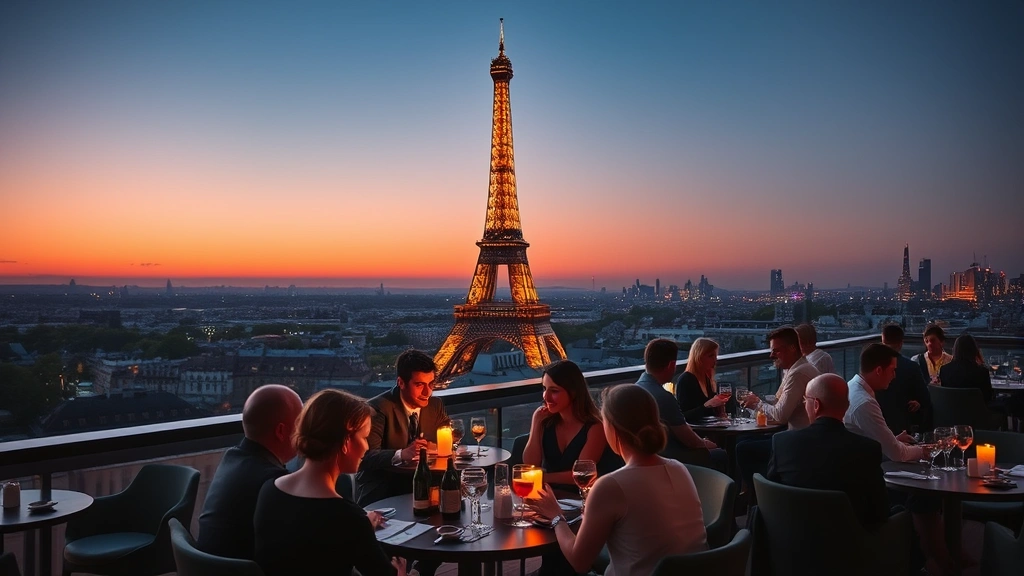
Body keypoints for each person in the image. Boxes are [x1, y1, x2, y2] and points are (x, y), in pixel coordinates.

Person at [528, 384, 707, 576]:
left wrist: (556, 516)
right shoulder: (679, 468)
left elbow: (578, 561)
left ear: (612, 428)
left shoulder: (611, 485)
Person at [253, 389, 406, 576]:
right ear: (345, 442)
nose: (367, 447)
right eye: (365, 437)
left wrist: (363, 527)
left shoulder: (269, 490)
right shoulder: (348, 517)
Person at [843, 343, 955, 576]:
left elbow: (870, 438)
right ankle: (932, 561)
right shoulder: (865, 403)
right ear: (878, 371)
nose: (895, 376)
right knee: (924, 495)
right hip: (868, 481)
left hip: (858, 470)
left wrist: (894, 440)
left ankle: (938, 557)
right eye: (893, 370)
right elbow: (896, 454)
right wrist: (926, 450)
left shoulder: (853, 388)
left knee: (923, 495)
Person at [767, 374, 889, 527]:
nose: (805, 405)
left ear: (816, 405)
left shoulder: (783, 443)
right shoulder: (868, 450)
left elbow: (770, 499)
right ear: (846, 406)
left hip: (791, 540)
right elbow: (880, 513)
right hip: (852, 545)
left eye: (806, 400)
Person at [197, 384, 303, 559]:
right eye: (301, 423)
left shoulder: (231, 458)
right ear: (281, 431)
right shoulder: (275, 483)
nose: (304, 432)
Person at [355, 349, 449, 507]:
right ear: (401, 382)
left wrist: (434, 446)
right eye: (419, 385)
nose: (428, 392)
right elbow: (366, 456)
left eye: (431, 384)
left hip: (428, 484)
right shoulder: (377, 408)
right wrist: (401, 454)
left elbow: (447, 437)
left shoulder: (435, 405)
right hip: (386, 488)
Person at [737, 327, 820, 496]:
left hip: (800, 441)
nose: (771, 355)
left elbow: (780, 416)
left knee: (742, 448)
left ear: (792, 348)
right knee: (744, 439)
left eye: (776, 350)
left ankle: (759, 496)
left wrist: (756, 404)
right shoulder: (793, 369)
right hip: (798, 434)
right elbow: (779, 403)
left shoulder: (798, 374)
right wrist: (758, 402)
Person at [633, 338, 721, 468]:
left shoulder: (635, 390)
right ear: (671, 365)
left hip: (646, 456)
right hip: (670, 458)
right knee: (720, 454)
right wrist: (707, 444)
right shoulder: (664, 397)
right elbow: (691, 441)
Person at [523, 359, 608, 489]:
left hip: (581, 499)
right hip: (547, 495)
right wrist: (536, 424)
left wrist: (541, 477)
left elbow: (582, 474)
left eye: (554, 391)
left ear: (573, 392)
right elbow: (530, 464)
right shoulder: (544, 420)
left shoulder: (595, 428)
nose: (546, 397)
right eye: (545, 389)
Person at [876, 324, 932, 435]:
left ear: (882, 341)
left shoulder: (872, 367)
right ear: (901, 343)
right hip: (904, 426)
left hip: (877, 422)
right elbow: (925, 398)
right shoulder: (911, 366)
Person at [675, 337, 736, 423]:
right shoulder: (686, 380)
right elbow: (684, 416)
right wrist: (707, 405)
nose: (715, 360)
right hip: (699, 432)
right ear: (699, 357)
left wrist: (720, 410)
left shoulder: (706, 379)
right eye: (711, 356)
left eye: (715, 356)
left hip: (711, 428)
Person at [939, 334, 993, 402]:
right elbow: (988, 398)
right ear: (974, 350)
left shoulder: (944, 370)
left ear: (955, 350)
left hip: (951, 411)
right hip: (976, 411)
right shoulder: (982, 372)